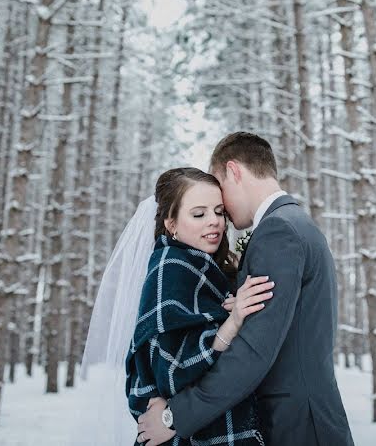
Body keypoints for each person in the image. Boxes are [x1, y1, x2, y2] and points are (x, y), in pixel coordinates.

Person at [137, 132, 355, 446]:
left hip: (296, 426)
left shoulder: (278, 231)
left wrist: (174, 416)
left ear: (234, 171)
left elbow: (254, 351)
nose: (219, 208)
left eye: (219, 187)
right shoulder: (295, 223)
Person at [79, 167, 272, 445]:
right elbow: (171, 370)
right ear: (171, 223)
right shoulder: (171, 268)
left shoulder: (206, 267)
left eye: (219, 212)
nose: (214, 222)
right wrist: (233, 321)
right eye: (198, 214)